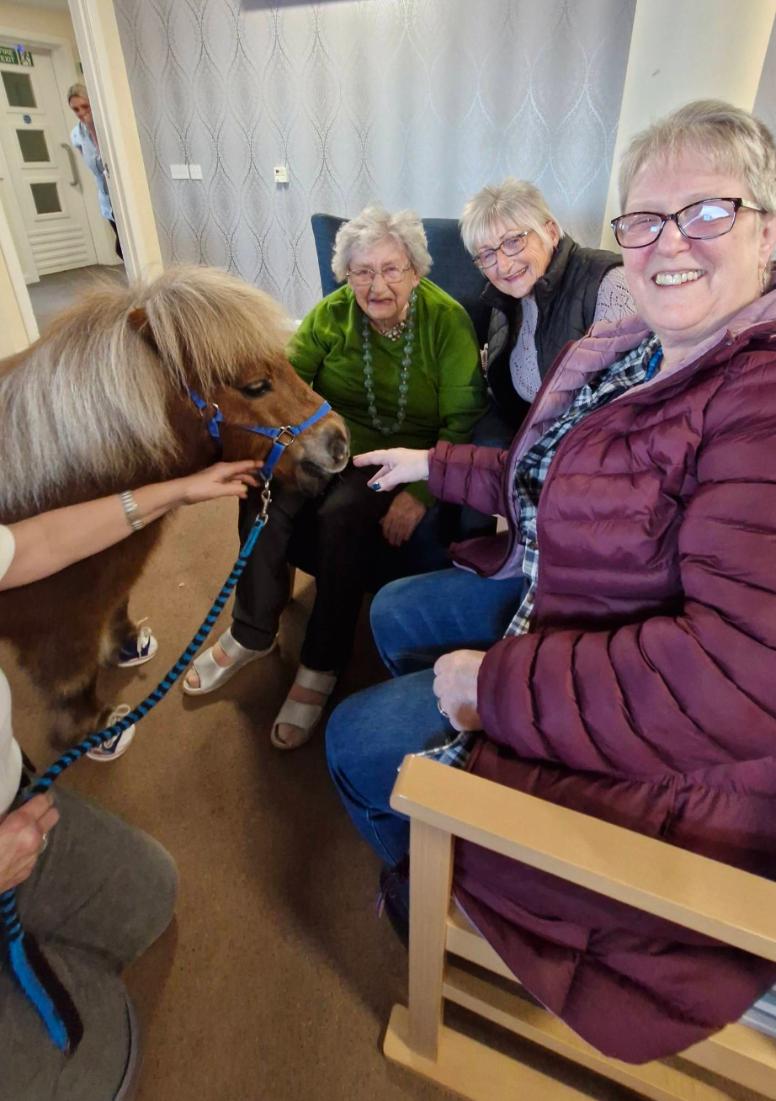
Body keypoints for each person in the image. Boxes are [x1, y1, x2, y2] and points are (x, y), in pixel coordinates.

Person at [325, 100, 776, 1063]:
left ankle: (430, 871)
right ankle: (432, 783)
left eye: (708, 211)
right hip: (564, 601)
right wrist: (431, 465)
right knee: (395, 609)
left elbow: (737, 679)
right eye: (646, 218)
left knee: (356, 741)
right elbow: (550, 471)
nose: (669, 241)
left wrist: (493, 687)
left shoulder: (757, 397)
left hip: (664, 760)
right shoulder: (636, 349)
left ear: (767, 232)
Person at [0, 459, 259, 1099]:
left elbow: (32, 545)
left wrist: (176, 491)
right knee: (98, 1067)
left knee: (146, 891)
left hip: (11, 806)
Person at [184, 205, 486, 751]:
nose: (376, 285)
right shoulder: (332, 314)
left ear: (416, 270)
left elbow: (464, 419)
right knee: (262, 492)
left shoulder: (447, 322)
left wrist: (422, 491)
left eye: (391, 269)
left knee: (342, 518)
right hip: (321, 442)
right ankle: (253, 631)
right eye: (361, 271)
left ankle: (320, 663)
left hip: (399, 460)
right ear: (346, 274)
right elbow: (286, 381)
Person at [461, 177, 635, 447]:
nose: (503, 265)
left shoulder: (609, 284)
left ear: (551, 232)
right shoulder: (507, 298)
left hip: (591, 455)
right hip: (539, 451)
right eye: (487, 255)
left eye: (513, 242)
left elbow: (621, 415)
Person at [67, 83, 122, 260]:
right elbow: (94, 167)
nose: (81, 113)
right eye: (76, 109)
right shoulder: (76, 135)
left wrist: (92, 127)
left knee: (124, 249)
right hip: (106, 199)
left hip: (122, 196)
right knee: (124, 248)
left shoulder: (109, 126)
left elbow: (108, 161)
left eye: (85, 106)